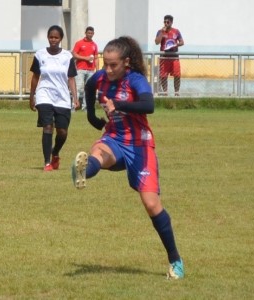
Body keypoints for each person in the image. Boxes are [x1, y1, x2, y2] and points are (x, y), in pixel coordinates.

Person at [71, 36, 184, 279]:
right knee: (98, 154)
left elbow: (148, 105)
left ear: (126, 62)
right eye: (105, 63)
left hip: (140, 146)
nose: (107, 69)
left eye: (113, 65)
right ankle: (82, 171)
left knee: (152, 205)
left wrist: (119, 105)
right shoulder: (100, 77)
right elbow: (90, 87)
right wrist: (91, 116)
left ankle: (175, 260)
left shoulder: (135, 80)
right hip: (114, 139)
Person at [29, 25, 80, 172]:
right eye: (51, 37)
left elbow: (71, 78)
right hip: (44, 95)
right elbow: (35, 77)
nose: (53, 40)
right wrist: (32, 96)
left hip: (62, 97)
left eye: (56, 37)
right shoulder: (40, 55)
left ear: (61, 39)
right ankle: (47, 163)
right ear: (48, 38)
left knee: (62, 131)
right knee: (48, 127)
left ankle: (55, 152)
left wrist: (75, 98)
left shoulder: (67, 56)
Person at [155, 15, 184, 96]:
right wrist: (161, 32)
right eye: (164, 22)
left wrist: (176, 45)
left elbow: (182, 42)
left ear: (171, 22)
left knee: (177, 75)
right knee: (163, 76)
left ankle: (176, 93)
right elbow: (157, 42)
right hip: (164, 57)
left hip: (174, 57)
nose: (166, 23)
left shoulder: (176, 31)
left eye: (168, 22)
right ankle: (165, 93)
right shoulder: (160, 31)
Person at [72, 26, 99, 111]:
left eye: (91, 33)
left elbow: (96, 58)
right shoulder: (79, 43)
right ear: (85, 33)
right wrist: (85, 58)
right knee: (78, 88)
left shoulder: (94, 45)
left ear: (93, 34)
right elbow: (74, 54)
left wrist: (97, 70)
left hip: (91, 70)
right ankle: (73, 106)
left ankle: (86, 108)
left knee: (88, 89)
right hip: (80, 69)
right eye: (88, 33)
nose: (90, 34)